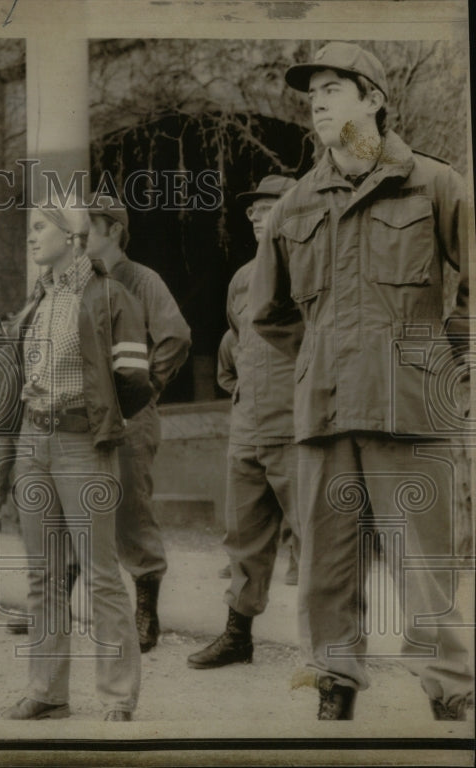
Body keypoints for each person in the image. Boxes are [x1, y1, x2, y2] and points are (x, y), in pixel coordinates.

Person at [249, 42, 473, 720]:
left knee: (426, 562)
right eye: (311, 91)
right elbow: (272, 314)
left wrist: (448, 356)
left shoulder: (435, 185)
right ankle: (334, 684)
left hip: (411, 402)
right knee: (327, 565)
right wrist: (323, 361)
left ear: (374, 100)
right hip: (325, 411)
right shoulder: (293, 205)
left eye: (334, 88)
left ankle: (450, 691)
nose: (316, 101)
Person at [0, 196, 153, 722]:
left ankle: (117, 696)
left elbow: (134, 379)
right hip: (33, 443)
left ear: (71, 236)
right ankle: (47, 691)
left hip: (82, 446)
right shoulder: (37, 300)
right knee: (43, 574)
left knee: (100, 573)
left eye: (40, 226)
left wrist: (102, 419)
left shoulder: (108, 295)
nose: (30, 235)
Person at [187, 174, 300, 671]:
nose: (255, 214)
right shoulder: (241, 279)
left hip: (302, 430)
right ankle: (238, 637)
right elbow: (237, 343)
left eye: (268, 205)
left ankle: (330, 652)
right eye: (252, 209)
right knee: (242, 540)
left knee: (321, 542)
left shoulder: (315, 269)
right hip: (248, 430)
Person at [86, 194, 192, 653]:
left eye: (87, 227)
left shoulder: (140, 279)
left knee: (130, 508)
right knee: (79, 502)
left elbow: (176, 335)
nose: (78, 237)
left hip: (130, 414)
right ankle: (62, 606)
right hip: (85, 412)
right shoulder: (81, 280)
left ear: (112, 228)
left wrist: (146, 389)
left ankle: (146, 611)